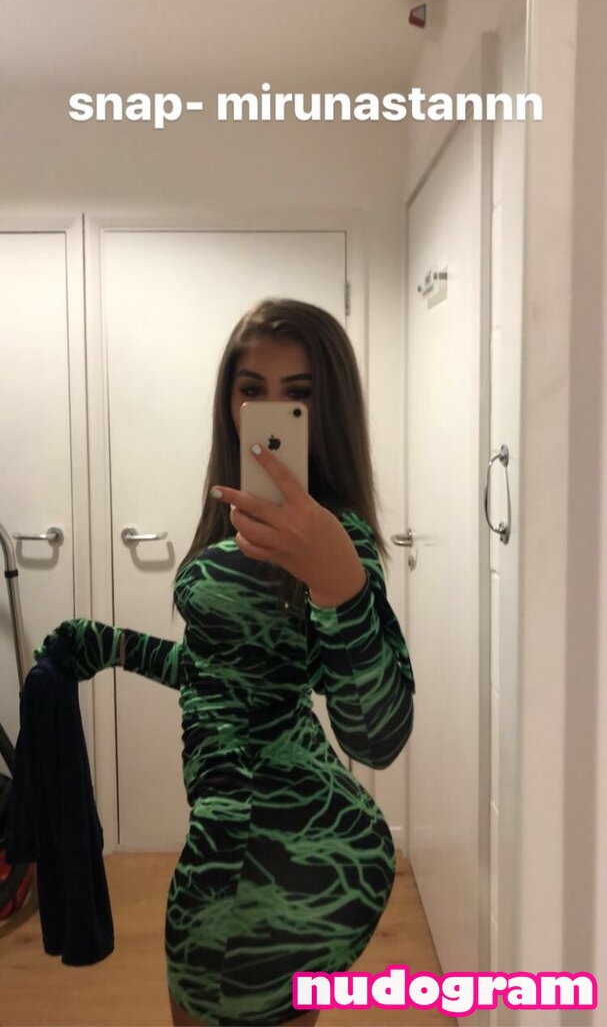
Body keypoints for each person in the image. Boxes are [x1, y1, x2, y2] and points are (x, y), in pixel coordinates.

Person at [36, 298, 416, 1027]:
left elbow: (377, 736)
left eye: (298, 396)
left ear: (330, 410)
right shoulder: (233, 518)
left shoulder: (337, 541)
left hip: (277, 853)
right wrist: (110, 647)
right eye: (251, 391)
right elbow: (223, 673)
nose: (270, 415)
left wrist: (339, 581)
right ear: (228, 405)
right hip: (267, 840)